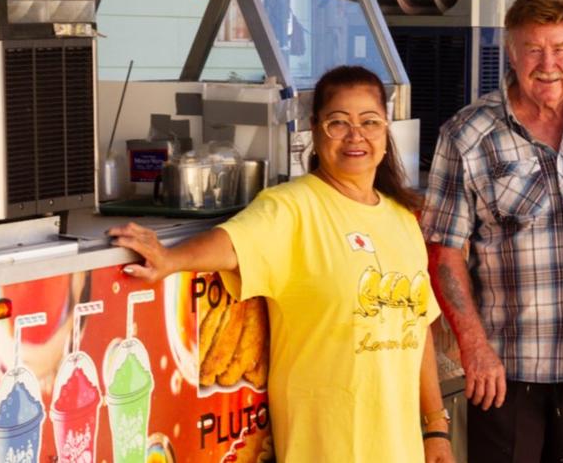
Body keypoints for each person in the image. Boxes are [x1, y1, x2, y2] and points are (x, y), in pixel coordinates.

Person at [110, 66, 455, 463]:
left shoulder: (400, 219)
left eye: (369, 122)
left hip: (402, 449)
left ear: (386, 128)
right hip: (326, 447)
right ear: (314, 128)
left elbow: (418, 328)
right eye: (337, 123)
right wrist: (171, 258)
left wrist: (435, 428)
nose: (355, 135)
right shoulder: (292, 207)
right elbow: (233, 244)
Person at [420, 0, 563, 463]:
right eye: (534, 49)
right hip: (508, 373)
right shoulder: (466, 135)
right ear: (511, 52)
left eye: (561, 49)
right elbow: (443, 251)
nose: (548, 64)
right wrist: (474, 346)